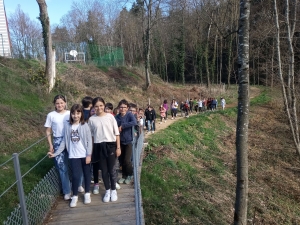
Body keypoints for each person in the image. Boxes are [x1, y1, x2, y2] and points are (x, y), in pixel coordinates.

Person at [48, 104, 92, 207]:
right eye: (73, 113)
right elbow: (64, 142)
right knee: (76, 176)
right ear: (71, 114)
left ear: (81, 114)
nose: (75, 115)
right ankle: (75, 196)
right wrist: (55, 154)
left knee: (86, 174)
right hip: (73, 155)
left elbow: (89, 141)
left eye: (78, 113)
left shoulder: (84, 125)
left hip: (84, 154)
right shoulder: (68, 126)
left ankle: (87, 194)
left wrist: (89, 155)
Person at [88, 97, 121, 203]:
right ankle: (107, 190)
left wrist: (118, 147)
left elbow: (116, 133)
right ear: (93, 107)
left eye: (101, 105)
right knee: (104, 171)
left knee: (112, 169)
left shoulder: (110, 117)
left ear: (104, 105)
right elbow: (91, 137)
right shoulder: (91, 119)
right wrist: (91, 151)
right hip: (98, 146)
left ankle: (113, 190)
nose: (99, 108)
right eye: (96, 106)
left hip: (110, 145)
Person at [44, 95, 71, 200]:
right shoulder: (51, 115)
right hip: (57, 141)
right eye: (57, 103)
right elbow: (48, 131)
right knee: (61, 166)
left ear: (65, 103)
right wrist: (51, 145)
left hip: (70, 140)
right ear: (54, 104)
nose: (60, 105)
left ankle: (78, 184)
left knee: (74, 163)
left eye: (61, 103)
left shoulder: (70, 113)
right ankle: (67, 191)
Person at [115, 99, 137, 185]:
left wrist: (123, 126)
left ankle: (130, 174)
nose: (122, 109)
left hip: (128, 141)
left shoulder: (129, 115)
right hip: (119, 141)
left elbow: (134, 122)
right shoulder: (116, 117)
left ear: (127, 108)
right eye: (121, 107)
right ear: (118, 108)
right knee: (121, 160)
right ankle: (124, 175)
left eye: (124, 107)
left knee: (127, 160)